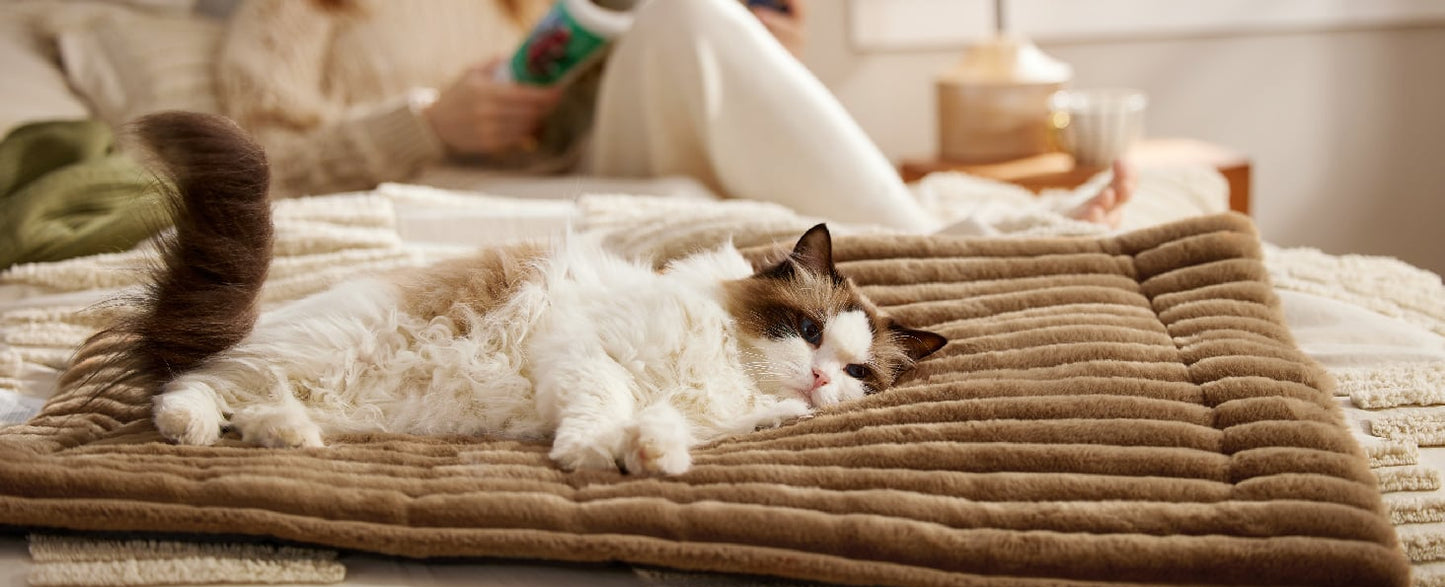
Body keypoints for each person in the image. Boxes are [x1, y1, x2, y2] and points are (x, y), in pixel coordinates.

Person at [217, 0, 1130, 233]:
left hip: (567, 162)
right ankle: (933, 235)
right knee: (683, 194)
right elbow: (256, 168)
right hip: (432, 183)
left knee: (688, 11)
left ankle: (921, 227)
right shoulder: (299, 14)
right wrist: (427, 122)